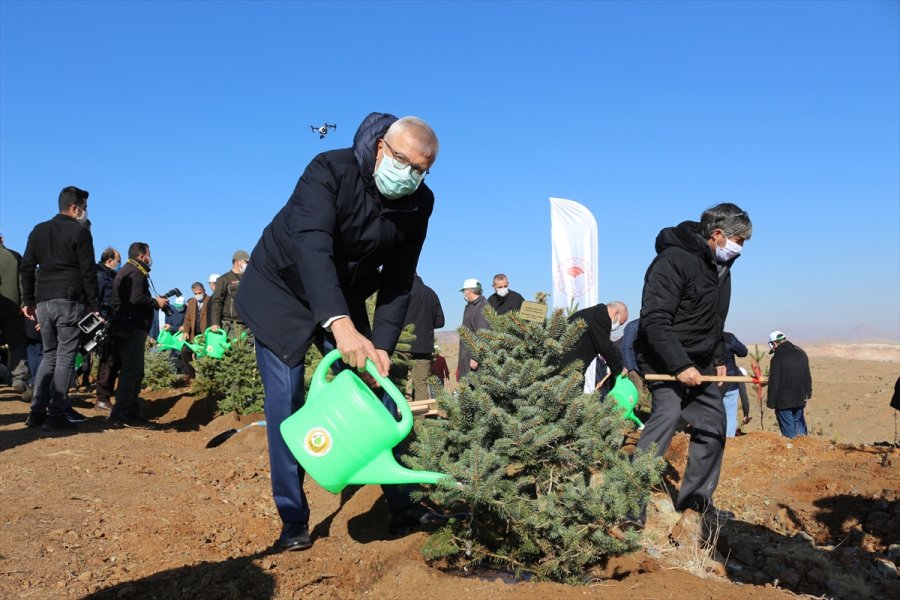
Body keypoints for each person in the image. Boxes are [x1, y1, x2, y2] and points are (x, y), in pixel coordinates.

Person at [235, 113, 444, 552]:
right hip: (281, 291)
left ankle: (403, 504)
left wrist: (380, 348)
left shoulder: (419, 203)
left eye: (422, 170)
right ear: (382, 148)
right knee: (286, 402)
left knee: (379, 386)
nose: (410, 177)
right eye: (403, 162)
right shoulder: (328, 170)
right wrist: (340, 323)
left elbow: (399, 280)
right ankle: (292, 521)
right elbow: (311, 245)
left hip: (343, 295)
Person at [629, 203, 752, 528]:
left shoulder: (721, 270)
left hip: (700, 361)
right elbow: (655, 321)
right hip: (662, 358)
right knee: (667, 416)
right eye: (739, 240)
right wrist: (679, 364)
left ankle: (695, 505)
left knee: (713, 426)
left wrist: (718, 359)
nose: (740, 249)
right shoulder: (672, 261)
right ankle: (629, 505)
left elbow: (714, 323)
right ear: (717, 234)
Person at [19, 186, 100, 431]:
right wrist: (94, 305)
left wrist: (28, 301)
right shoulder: (80, 232)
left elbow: (26, 267)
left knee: (49, 355)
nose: (85, 212)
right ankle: (55, 415)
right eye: (84, 208)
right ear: (74, 208)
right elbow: (88, 272)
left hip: (43, 301)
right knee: (65, 356)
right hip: (68, 300)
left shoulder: (39, 230)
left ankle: (36, 413)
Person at [108, 242, 168, 428]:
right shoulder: (135, 272)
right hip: (132, 327)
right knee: (131, 370)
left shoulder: (127, 270)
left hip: (126, 326)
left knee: (134, 370)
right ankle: (122, 414)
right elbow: (136, 298)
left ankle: (131, 411)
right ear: (142, 256)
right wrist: (156, 302)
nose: (151, 258)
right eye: (149, 254)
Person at [566, 301, 628, 393]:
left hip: (573, 366)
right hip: (568, 367)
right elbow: (605, 347)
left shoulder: (594, 313)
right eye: (620, 323)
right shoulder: (600, 317)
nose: (618, 326)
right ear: (616, 313)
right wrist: (619, 369)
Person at [401, 275, 444, 400]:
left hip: (403, 344)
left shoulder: (402, 293)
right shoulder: (431, 294)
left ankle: (396, 416)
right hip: (424, 346)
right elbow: (440, 321)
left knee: (398, 382)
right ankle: (420, 419)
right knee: (420, 384)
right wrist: (425, 326)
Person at [766, 330, 812, 438]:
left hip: (783, 402)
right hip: (800, 398)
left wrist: (771, 403)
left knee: (788, 431)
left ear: (774, 343)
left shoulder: (777, 358)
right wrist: (808, 393)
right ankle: (804, 450)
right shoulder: (801, 352)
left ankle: (791, 451)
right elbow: (807, 375)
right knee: (799, 426)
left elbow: (774, 382)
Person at [0, 231, 28, 395]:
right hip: (13, 307)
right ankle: (19, 377)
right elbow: (22, 282)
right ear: (2, 239)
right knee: (17, 343)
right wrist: (24, 303)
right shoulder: (15, 256)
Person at [93, 247, 121, 411]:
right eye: (118, 261)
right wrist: (100, 318)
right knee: (107, 360)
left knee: (113, 360)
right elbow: (96, 298)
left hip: (113, 321)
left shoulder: (111, 275)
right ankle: (102, 397)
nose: (119, 264)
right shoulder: (100, 275)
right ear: (110, 261)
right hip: (104, 322)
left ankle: (105, 396)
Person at [210, 251, 248, 337]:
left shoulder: (249, 278)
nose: (248, 264)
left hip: (249, 325)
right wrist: (215, 322)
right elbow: (217, 302)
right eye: (247, 262)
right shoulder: (223, 279)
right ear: (238, 262)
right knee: (232, 350)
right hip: (232, 325)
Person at [458, 278, 490, 380]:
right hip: (467, 356)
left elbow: (482, 333)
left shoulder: (482, 307)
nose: (464, 294)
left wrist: (476, 358)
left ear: (468, 291)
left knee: (475, 388)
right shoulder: (471, 306)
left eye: (464, 291)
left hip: (474, 360)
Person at [721, 331, 749, 438]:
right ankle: (728, 442)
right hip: (730, 382)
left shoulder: (703, 335)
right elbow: (743, 352)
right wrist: (746, 414)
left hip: (709, 382)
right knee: (730, 415)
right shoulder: (728, 337)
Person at [179, 282, 210, 378]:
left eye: (199, 293)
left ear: (204, 290)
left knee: (205, 354)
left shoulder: (211, 300)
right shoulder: (191, 302)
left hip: (205, 334)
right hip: (193, 334)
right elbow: (187, 318)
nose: (198, 295)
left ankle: (207, 376)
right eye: (195, 293)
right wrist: (185, 332)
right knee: (185, 351)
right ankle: (190, 374)